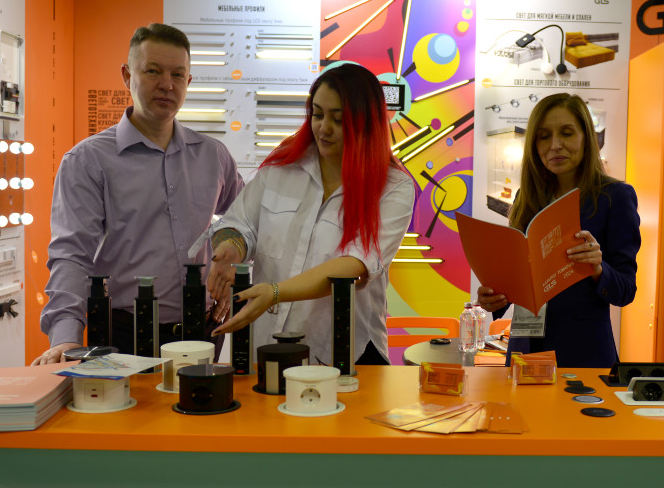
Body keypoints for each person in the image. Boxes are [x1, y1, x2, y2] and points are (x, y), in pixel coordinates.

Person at [33, 23, 243, 365]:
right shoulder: (88, 161)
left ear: (188, 82)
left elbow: (247, 223)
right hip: (122, 337)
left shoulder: (213, 156)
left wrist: (235, 269)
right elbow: (71, 254)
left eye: (178, 74)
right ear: (127, 76)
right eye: (153, 71)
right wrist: (66, 337)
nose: (167, 84)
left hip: (202, 332)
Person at [207, 63, 417, 365]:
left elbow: (354, 265)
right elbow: (239, 225)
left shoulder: (393, 187)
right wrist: (230, 249)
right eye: (317, 115)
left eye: (338, 120)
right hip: (270, 343)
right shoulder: (283, 167)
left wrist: (276, 292)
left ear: (366, 123)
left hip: (348, 352)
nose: (324, 128)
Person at [477, 93, 641, 368]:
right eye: (544, 136)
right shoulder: (526, 198)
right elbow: (517, 276)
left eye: (566, 133)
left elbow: (626, 290)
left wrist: (598, 268)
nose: (555, 145)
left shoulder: (615, 197)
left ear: (586, 137)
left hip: (583, 353)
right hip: (524, 352)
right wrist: (494, 298)